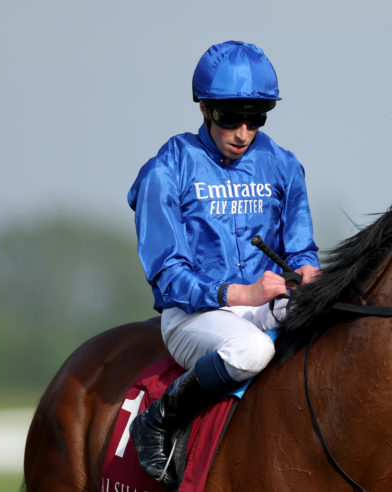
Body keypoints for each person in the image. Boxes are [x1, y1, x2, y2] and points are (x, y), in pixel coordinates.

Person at [126, 40, 320, 484]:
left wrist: (308, 273)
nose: (243, 132)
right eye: (230, 117)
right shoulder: (167, 169)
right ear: (205, 109)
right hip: (194, 315)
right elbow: (168, 275)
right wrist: (240, 294)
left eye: (256, 118)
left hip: (264, 304)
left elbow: (300, 249)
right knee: (252, 350)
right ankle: (158, 420)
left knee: (331, 316)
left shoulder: (283, 165)